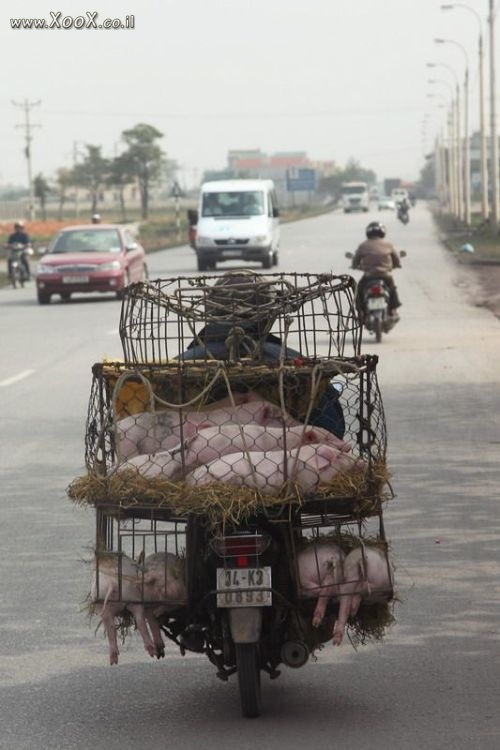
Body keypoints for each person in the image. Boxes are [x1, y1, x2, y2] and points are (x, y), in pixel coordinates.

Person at [179, 270, 346, 438]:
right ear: (268, 316)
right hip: (292, 459)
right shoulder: (292, 361)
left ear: (210, 311)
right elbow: (333, 428)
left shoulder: (181, 364)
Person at [351, 222, 402, 318]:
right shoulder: (388, 244)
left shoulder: (363, 245)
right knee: (392, 289)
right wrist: (396, 265)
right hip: (385, 275)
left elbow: (356, 260)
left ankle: (361, 312)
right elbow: (396, 259)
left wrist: (354, 266)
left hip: (369, 276)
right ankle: (393, 310)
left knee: (359, 290)